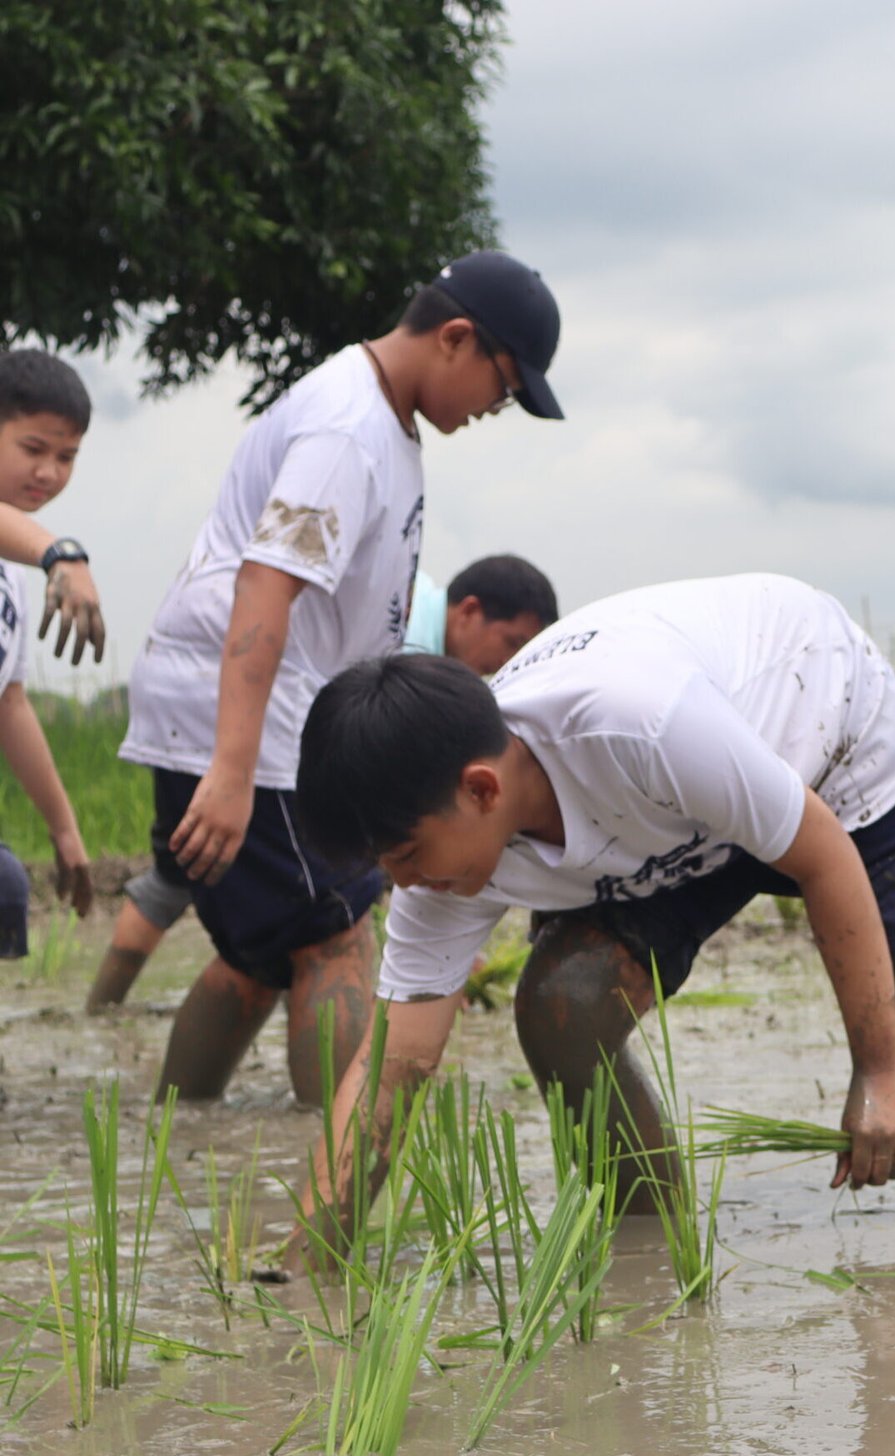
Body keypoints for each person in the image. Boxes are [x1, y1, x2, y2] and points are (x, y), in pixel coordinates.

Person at [294, 572, 895, 1235]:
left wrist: (878, 1073)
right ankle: (649, 1251)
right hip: (673, 821)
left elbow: (824, 856)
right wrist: (309, 1257)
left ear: (481, 789)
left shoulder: (639, 725)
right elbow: (395, 1064)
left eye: (407, 857)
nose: (402, 885)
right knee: (565, 1003)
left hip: (826, 743)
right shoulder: (444, 845)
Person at [115, 250, 564, 1105]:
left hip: (267, 716)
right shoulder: (348, 428)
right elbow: (266, 583)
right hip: (257, 722)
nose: (492, 409)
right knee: (335, 931)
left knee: (258, 955)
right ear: (456, 338)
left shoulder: (382, 421)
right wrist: (234, 768)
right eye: (503, 387)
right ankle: (338, 1153)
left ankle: (176, 1138)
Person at [86, 553, 559, 1010]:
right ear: (469, 612)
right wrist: (443, 958)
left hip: (187, 709)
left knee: (192, 885)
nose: (507, 661)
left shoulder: (404, 604)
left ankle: (102, 1009)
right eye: (512, 642)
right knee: (329, 925)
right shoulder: (409, 651)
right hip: (260, 739)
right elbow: (401, 824)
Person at [0, 351, 101, 953]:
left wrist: (64, 830)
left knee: (6, 888)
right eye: (32, 448)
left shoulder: (12, 575)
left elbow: (9, 703)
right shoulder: (36, 554)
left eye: (66, 457)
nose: (48, 472)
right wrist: (60, 555)